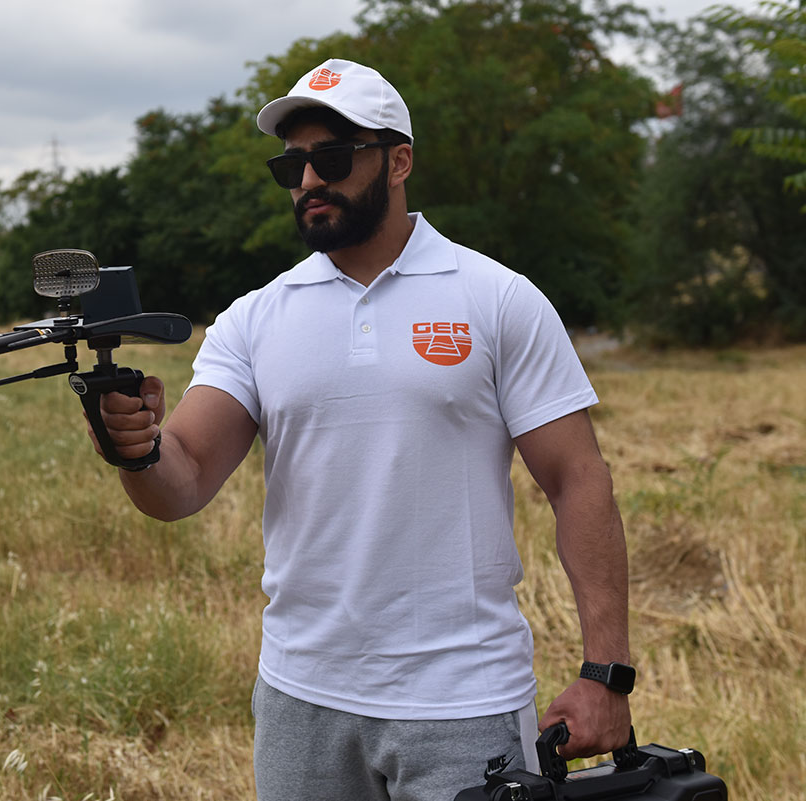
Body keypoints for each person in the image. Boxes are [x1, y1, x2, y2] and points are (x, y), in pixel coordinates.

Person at [87, 58, 632, 801]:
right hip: (301, 699)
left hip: (463, 702)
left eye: (334, 159)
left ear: (398, 161)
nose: (309, 180)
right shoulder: (254, 318)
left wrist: (606, 673)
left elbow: (578, 480)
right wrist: (136, 446)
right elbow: (179, 483)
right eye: (292, 166)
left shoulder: (496, 298)